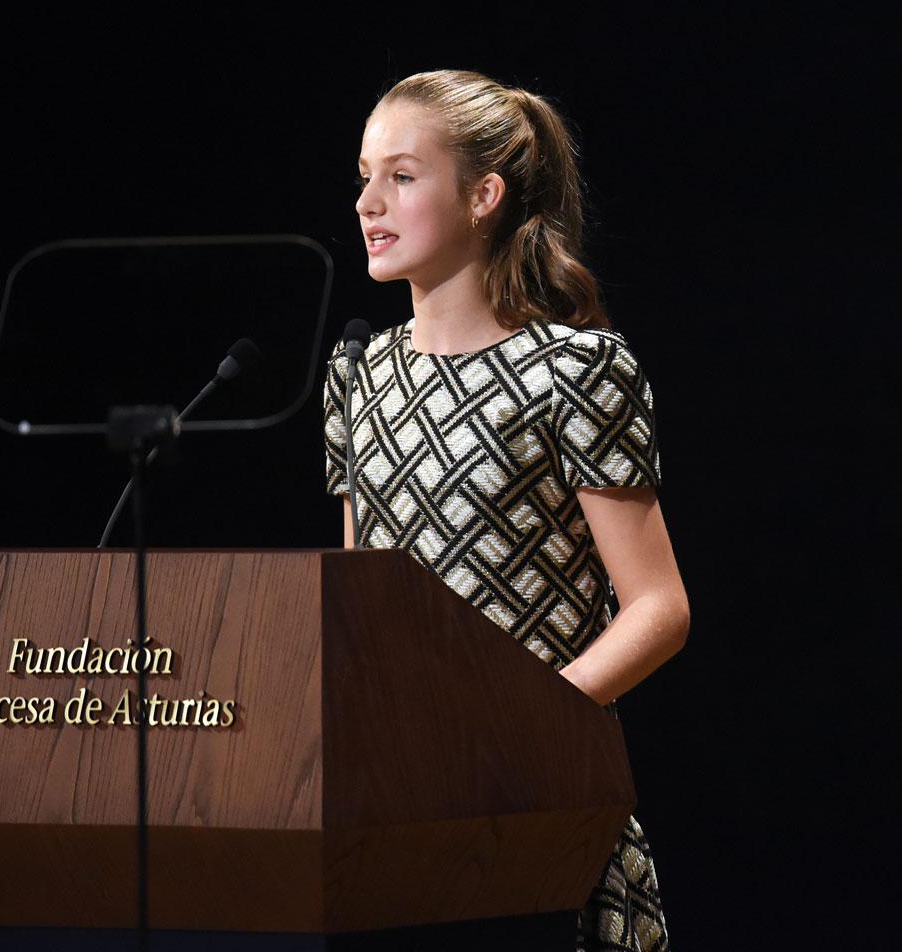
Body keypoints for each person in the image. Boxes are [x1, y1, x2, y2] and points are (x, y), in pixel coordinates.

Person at [323, 68, 689, 952]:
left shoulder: (574, 371)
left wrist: (521, 731)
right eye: (365, 176)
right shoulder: (358, 375)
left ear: (484, 195)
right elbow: (355, 607)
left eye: (403, 177)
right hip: (397, 820)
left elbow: (659, 608)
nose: (370, 202)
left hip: (536, 814)